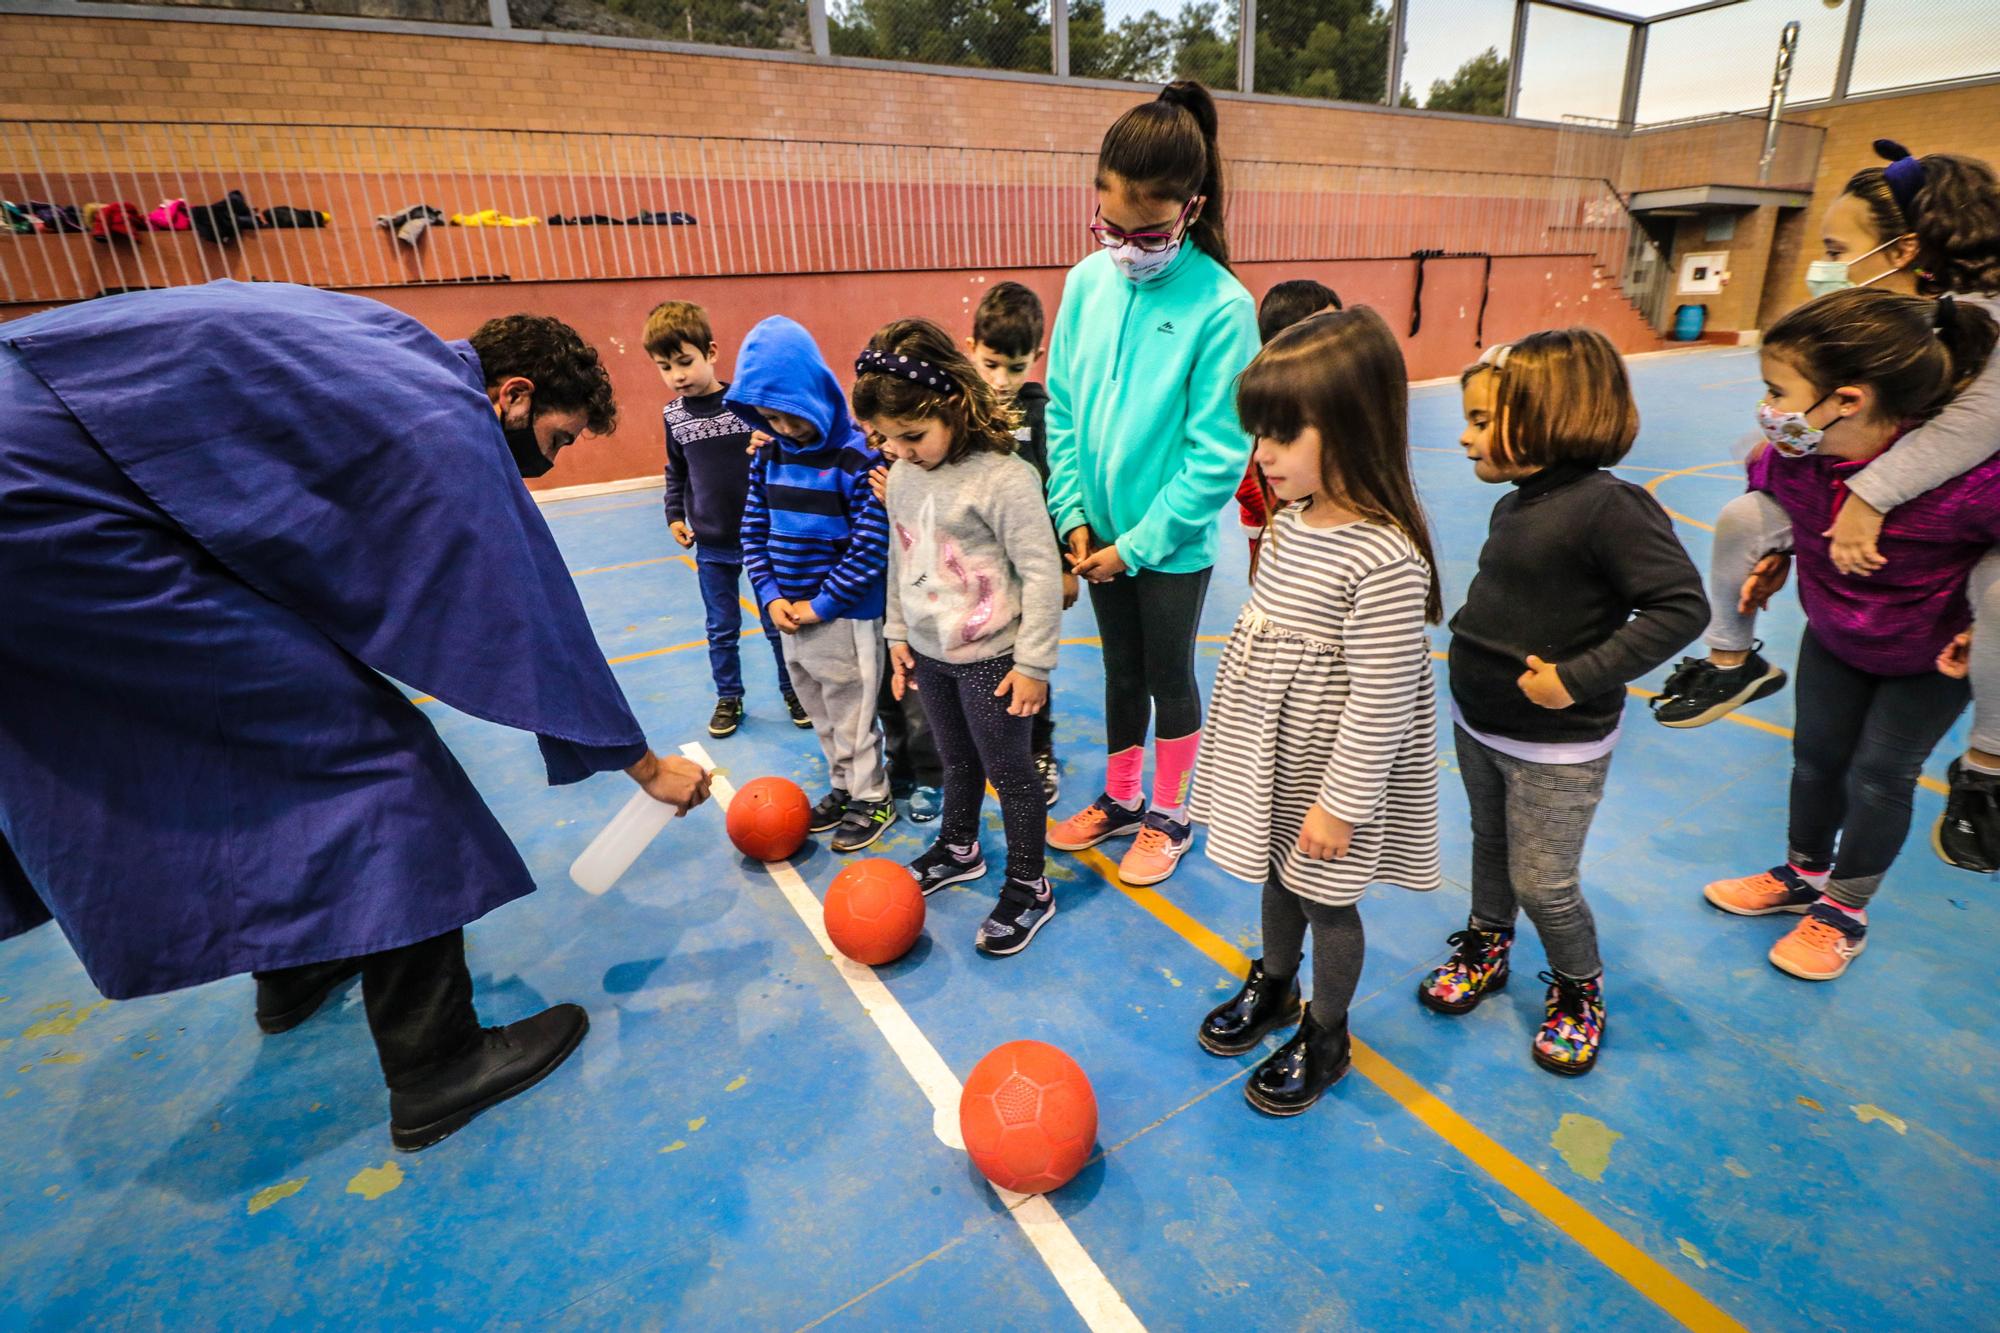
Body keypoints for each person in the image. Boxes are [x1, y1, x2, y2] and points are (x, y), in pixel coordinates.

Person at [0, 281, 711, 1152]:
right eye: (556, 441)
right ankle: (438, 1065)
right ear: (512, 394)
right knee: (375, 762)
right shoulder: (442, 407)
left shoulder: (381, 345)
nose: (548, 464)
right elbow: (513, 596)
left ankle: (299, 963)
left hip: (50, 453)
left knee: (251, 740)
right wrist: (640, 761)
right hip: (44, 505)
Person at [1648, 143, 2000, 872]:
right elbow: (1778, 454)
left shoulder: (1978, 350)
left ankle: (1986, 770)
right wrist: (1796, 527)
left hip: (1927, 628)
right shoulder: (1869, 366)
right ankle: (1732, 662)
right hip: (1846, 617)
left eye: (1839, 249)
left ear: (1907, 249)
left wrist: (1869, 496)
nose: (1826, 266)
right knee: (1816, 756)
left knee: (1882, 769)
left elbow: (1972, 433)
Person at [1420, 329, 1706, 1077]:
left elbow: (1680, 607)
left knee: (1542, 880)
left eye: (1482, 420)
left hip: (1557, 744)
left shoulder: (1612, 508)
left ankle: (1579, 988)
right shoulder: (1519, 501)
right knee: (1490, 846)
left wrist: (1577, 677)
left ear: (1546, 416)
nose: (1464, 434)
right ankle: (1487, 944)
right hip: (1480, 722)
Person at [1702, 288, 2000, 980]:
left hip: (1929, 656)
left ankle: (1845, 910)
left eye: (1778, 390)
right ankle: (1804, 873)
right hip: (1836, 633)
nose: (1768, 407)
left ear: (1848, 399)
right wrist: (1778, 548)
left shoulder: (1968, 482)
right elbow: (1772, 498)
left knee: (1879, 776)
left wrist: (1986, 619)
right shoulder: (1796, 455)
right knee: (1815, 756)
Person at [1191, 308, 1443, 1116]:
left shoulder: (1385, 558)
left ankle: (1326, 1029)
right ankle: (1273, 980)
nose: (1260, 454)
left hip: (1331, 780)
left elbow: (1379, 698)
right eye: (1258, 433)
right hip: (1276, 762)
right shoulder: (1292, 524)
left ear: (1351, 427)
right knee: (1274, 874)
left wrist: (1342, 803)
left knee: (1327, 902)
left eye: (1280, 434)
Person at [1044, 80, 1262, 888]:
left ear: (1192, 208)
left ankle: (1170, 812)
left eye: (1147, 229)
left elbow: (1216, 456)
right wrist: (1071, 515)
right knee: (1118, 672)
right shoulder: (1086, 284)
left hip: (1165, 546)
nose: (1126, 243)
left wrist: (1135, 547)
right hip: (1094, 535)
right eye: (1111, 223)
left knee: (1169, 676)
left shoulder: (1222, 306)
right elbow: (1061, 408)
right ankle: (1123, 795)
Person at [860, 319, 1065, 956]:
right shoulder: (901, 475)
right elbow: (901, 558)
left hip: (993, 659)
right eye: (888, 439)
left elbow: (1042, 573)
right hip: (930, 653)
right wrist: (898, 635)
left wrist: (1033, 663)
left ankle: (1030, 885)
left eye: (913, 435)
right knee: (955, 761)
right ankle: (960, 846)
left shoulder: (1004, 479)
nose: (900, 450)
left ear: (952, 402)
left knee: (1011, 771)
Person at [732, 315, 898, 854]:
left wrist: (821, 604)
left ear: (815, 395)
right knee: (821, 711)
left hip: (844, 616)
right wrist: (773, 597)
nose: (784, 429)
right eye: (771, 418)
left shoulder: (856, 458)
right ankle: (844, 786)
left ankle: (872, 795)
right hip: (791, 617)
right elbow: (752, 531)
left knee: (853, 713)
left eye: (791, 417)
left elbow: (870, 547)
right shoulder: (767, 456)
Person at [647, 299, 810, 738]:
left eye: (685, 362)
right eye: (665, 367)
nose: (677, 375)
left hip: (763, 539)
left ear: (711, 352)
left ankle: (794, 690)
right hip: (712, 542)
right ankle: (729, 697)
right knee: (721, 628)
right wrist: (674, 514)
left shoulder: (745, 404)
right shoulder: (674, 416)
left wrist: (768, 442)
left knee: (778, 624)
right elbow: (676, 470)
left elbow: (782, 449)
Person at [969, 279, 1074, 806]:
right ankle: (992, 744)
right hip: (976, 570)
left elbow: (1058, 488)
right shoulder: (961, 406)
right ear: (971, 351)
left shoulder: (1041, 413)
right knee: (983, 659)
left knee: (1029, 664)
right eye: (990, 364)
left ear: (1036, 356)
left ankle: (1038, 748)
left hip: (1031, 571)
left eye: (1015, 367)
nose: (1002, 380)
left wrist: (1064, 566)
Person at [1240, 280, 1342, 570]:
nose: (1334, 339)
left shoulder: (1337, 390)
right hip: (1278, 526)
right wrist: (1293, 511)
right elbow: (1242, 475)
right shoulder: (1258, 392)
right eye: (1320, 329)